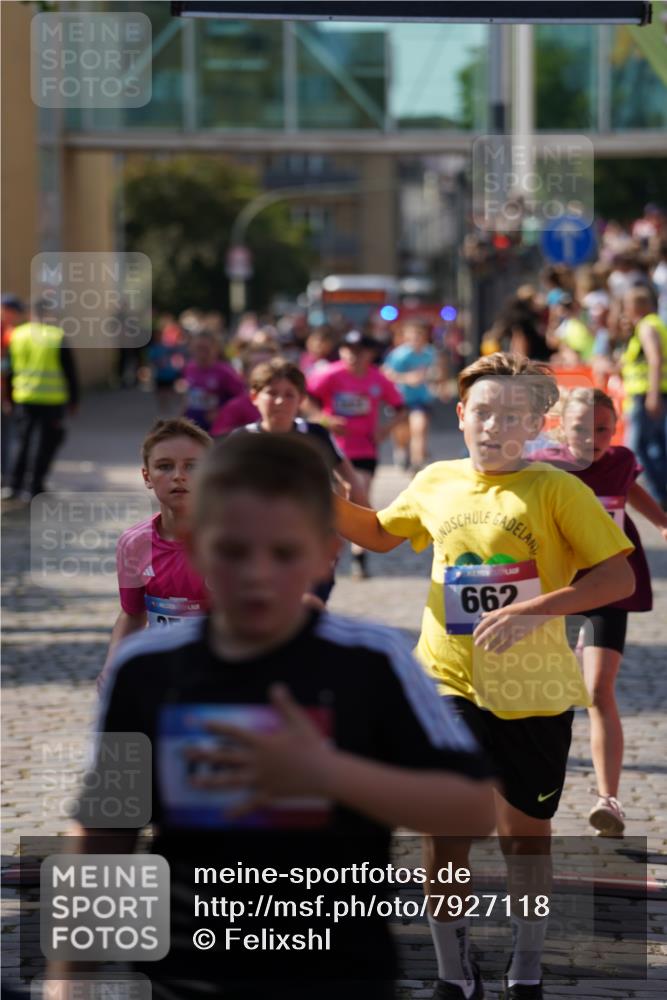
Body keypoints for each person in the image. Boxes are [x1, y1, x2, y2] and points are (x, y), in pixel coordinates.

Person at [67, 433, 495, 1000]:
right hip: (190, 970)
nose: (258, 573)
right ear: (196, 548)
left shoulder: (373, 661)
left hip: (339, 970)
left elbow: (469, 808)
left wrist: (327, 773)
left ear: (326, 553)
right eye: (234, 550)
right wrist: (68, 979)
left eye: (285, 553)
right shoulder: (146, 668)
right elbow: (106, 829)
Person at [333, 353, 636, 1000]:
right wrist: (320, 498)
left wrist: (533, 609)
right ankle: (451, 973)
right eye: (483, 412)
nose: (494, 426)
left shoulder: (557, 490)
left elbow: (617, 577)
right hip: (444, 681)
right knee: (444, 835)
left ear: (533, 424)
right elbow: (380, 536)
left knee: (523, 838)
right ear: (460, 415)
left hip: (532, 692)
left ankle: (524, 970)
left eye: (511, 415)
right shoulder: (437, 480)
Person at [531, 387, 666, 835]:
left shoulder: (621, 460)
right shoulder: (545, 466)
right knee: (548, 690)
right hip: (557, 589)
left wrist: (662, 520)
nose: (592, 439)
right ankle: (531, 784)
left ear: (615, 428)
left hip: (612, 585)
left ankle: (609, 800)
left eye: (602, 429)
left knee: (597, 689)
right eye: (580, 429)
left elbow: (629, 488)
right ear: (560, 428)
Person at [236, 358, 366, 607]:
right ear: (254, 396)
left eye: (289, 395)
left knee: (309, 608)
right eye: (271, 393)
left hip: (314, 542)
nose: (280, 401)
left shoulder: (315, 435)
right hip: (260, 545)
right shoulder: (241, 441)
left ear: (301, 399)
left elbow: (351, 481)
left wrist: (358, 527)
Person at [98, 417, 212, 686]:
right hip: (163, 676)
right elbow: (133, 614)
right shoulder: (134, 543)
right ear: (147, 477)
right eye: (164, 466)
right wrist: (113, 667)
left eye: (192, 467)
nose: (178, 476)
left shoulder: (236, 541)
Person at [307, 329, 407, 579]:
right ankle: (326, 550)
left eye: (359, 352)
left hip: (365, 449)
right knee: (336, 500)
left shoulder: (378, 379)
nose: (353, 356)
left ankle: (358, 557)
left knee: (358, 493)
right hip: (333, 448)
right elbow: (306, 398)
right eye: (348, 351)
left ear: (369, 354)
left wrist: (384, 431)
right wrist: (323, 418)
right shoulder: (330, 374)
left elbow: (401, 409)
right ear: (341, 352)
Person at [4, 298, 79, 500]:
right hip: (51, 400)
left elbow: (10, 370)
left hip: (23, 398)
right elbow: (70, 371)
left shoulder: (18, 335)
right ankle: (35, 486)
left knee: (22, 442)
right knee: (46, 444)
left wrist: (8, 398)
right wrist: (74, 400)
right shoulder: (56, 336)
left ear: (31, 314)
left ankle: (14, 485)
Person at [620, 286, 667, 508]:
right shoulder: (654, 323)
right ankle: (661, 494)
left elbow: (655, 360)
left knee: (636, 446)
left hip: (646, 394)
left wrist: (653, 395)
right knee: (655, 447)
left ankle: (657, 497)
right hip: (650, 392)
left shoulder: (647, 326)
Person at [383, 322, 437, 472]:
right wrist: (407, 378)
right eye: (412, 336)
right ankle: (400, 449)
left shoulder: (430, 353)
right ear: (405, 337)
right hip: (400, 399)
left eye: (419, 335)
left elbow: (437, 371)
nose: (416, 339)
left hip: (421, 399)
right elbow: (386, 375)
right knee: (402, 433)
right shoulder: (398, 355)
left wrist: (440, 383)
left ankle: (417, 463)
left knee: (419, 428)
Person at [183, 331, 245, 432]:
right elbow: (190, 393)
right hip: (193, 424)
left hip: (216, 428)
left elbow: (242, 397)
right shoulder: (189, 367)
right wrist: (184, 412)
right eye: (198, 348)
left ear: (216, 349)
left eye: (205, 349)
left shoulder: (225, 371)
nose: (201, 353)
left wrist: (221, 411)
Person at [1, 293, 24, 485]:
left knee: (6, 435)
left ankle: (4, 475)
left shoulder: (11, 333)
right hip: (5, 394)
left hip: (5, 394)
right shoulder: (8, 333)